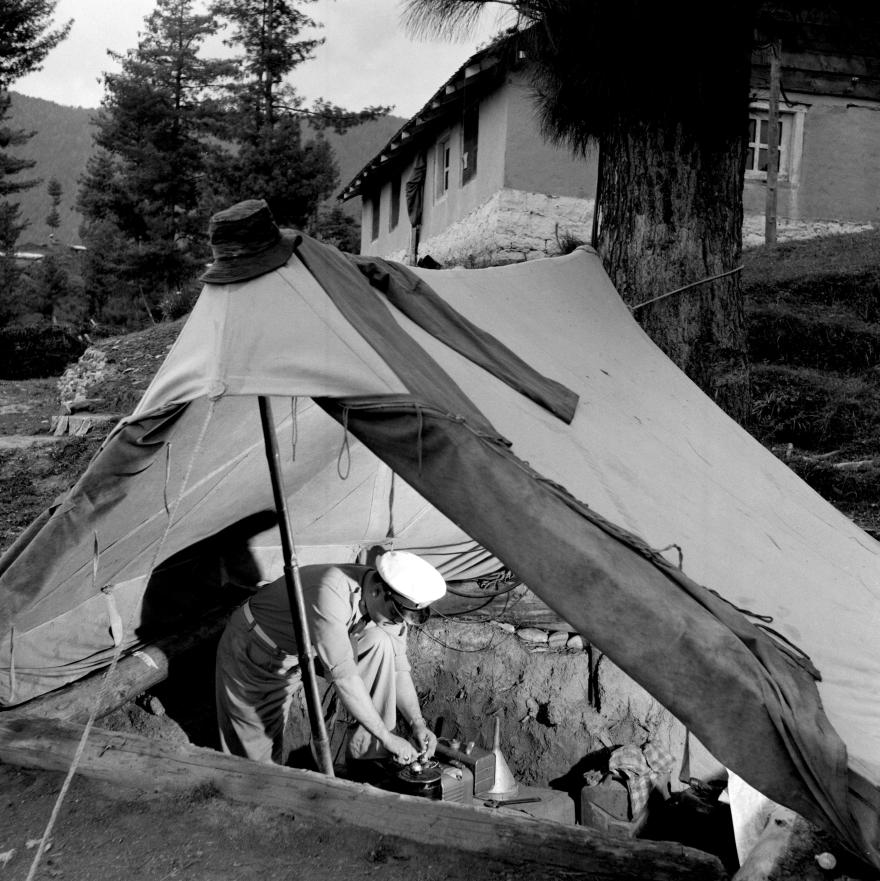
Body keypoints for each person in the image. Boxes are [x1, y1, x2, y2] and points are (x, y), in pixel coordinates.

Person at [215, 550, 446, 769]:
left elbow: (399, 670)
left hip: (309, 648)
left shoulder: (387, 607)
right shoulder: (330, 591)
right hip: (259, 652)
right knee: (256, 756)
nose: (398, 623)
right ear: (377, 591)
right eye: (396, 614)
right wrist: (387, 737)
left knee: (380, 641)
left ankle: (367, 758)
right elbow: (344, 678)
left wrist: (418, 723)